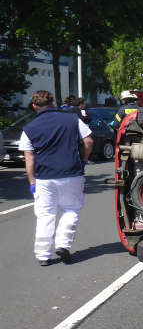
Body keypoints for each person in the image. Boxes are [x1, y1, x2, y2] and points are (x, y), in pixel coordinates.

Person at [21, 90, 93, 265]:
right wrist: (83, 160)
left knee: (45, 214)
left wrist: (32, 182)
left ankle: (43, 255)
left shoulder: (29, 129)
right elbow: (89, 141)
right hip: (72, 173)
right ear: (53, 103)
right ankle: (63, 244)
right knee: (71, 209)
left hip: (44, 177)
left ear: (34, 106)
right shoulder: (72, 119)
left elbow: (29, 158)